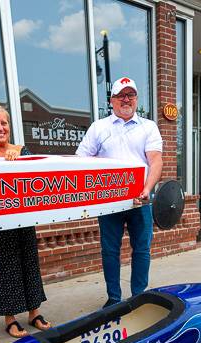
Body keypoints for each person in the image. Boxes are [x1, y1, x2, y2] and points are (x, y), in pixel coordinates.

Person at [76, 76, 163, 307]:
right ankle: (114, 298)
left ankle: (139, 297)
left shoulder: (148, 127)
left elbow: (155, 161)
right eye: (121, 95)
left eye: (131, 95)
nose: (126, 99)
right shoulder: (99, 127)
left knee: (142, 249)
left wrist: (147, 189)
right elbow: (82, 159)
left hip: (140, 200)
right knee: (110, 251)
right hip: (109, 202)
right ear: (112, 100)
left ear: (136, 99)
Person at [0, 104, 51, 338]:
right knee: (5, 268)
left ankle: (34, 312)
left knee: (29, 263)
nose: (0, 128)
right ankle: (10, 318)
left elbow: (34, 181)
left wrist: (18, 162)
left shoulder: (22, 150)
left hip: (23, 219)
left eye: (4, 123)